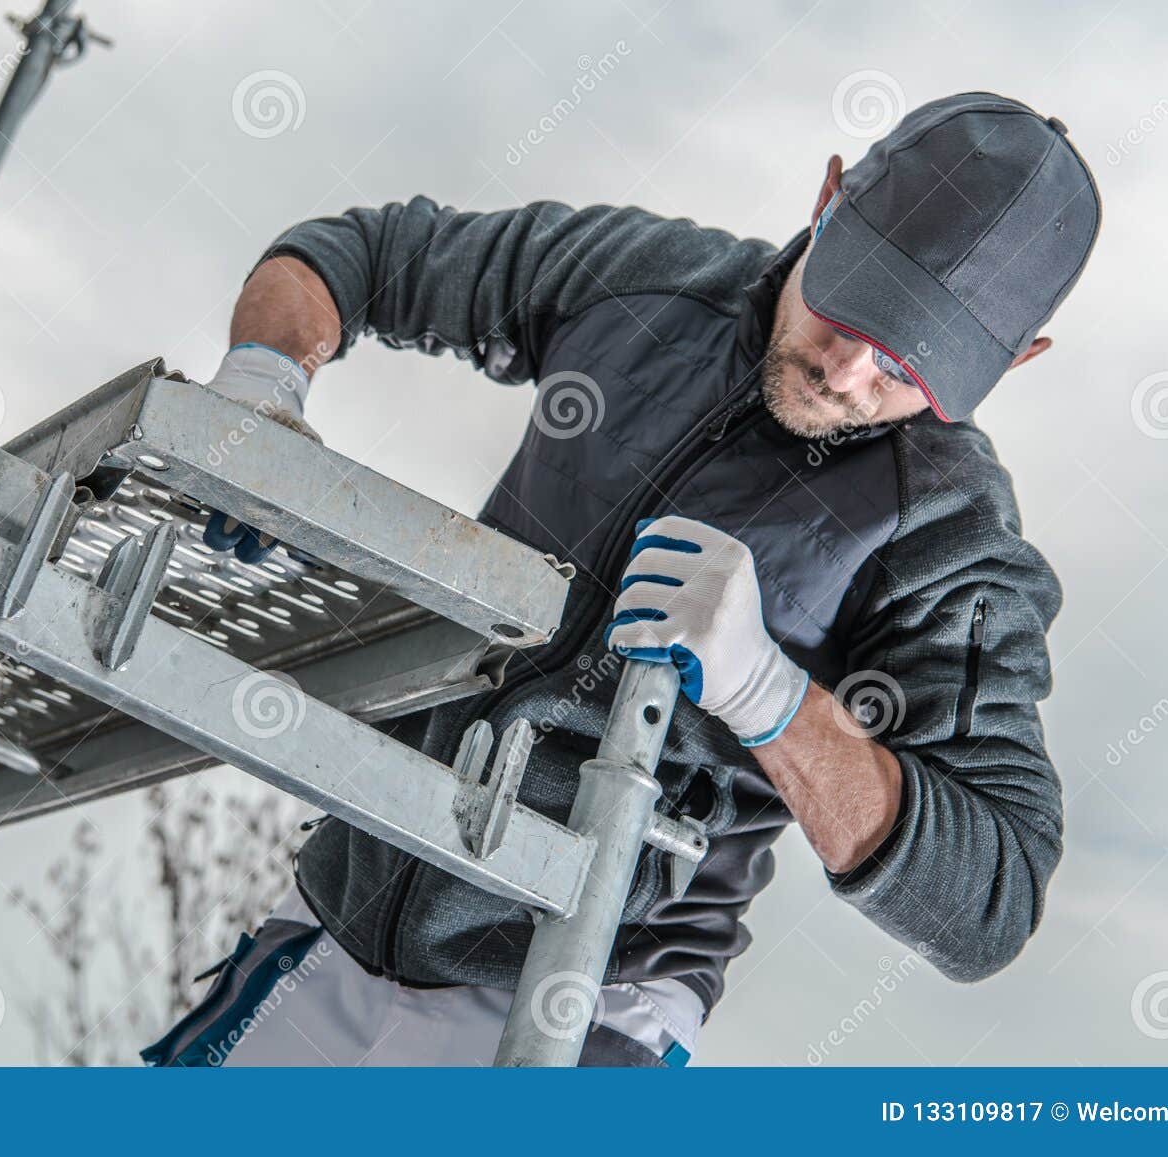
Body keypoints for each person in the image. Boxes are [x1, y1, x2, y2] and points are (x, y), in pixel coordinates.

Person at [144, 91, 1101, 1067]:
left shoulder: (946, 535)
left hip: (587, 1001)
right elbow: (357, 254)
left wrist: (770, 696)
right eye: (853, 302)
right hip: (335, 919)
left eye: (910, 360)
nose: (849, 371)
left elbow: (990, 897)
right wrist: (261, 384)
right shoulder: (642, 282)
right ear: (828, 196)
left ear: (1013, 360)